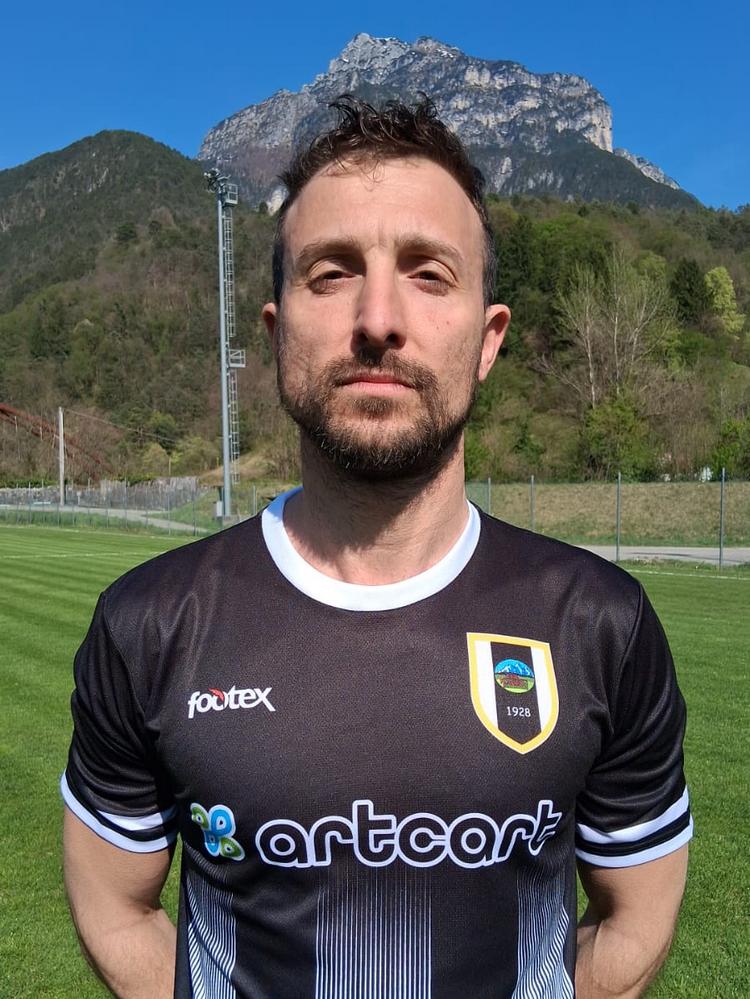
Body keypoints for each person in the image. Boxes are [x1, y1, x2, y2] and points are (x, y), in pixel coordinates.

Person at [62, 97, 692, 999]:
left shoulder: (603, 622)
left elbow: (635, 917)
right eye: (332, 272)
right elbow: (116, 904)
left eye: (429, 274)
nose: (379, 318)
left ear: (488, 339)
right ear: (276, 334)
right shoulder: (149, 623)